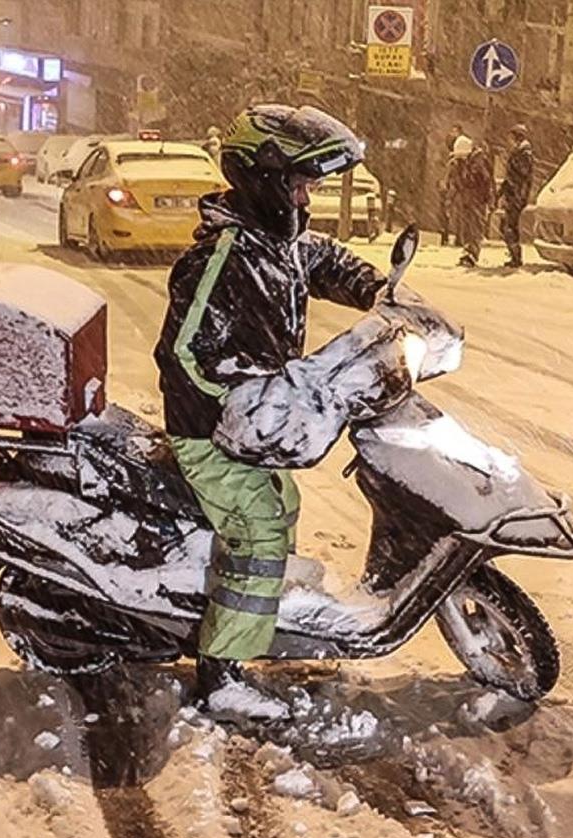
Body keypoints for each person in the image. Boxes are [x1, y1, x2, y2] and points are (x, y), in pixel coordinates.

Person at [153, 104, 386, 714]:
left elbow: (322, 260)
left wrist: (379, 292)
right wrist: (242, 396)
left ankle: (247, 610)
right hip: (212, 431)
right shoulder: (224, 256)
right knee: (258, 526)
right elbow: (185, 351)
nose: (307, 197)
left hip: (254, 429)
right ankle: (221, 674)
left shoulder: (275, 242)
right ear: (265, 179)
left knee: (282, 503)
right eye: (300, 184)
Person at [450, 135, 493, 268]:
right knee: (467, 228)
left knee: (474, 228)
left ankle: (472, 254)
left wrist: (488, 199)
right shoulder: (461, 163)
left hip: (477, 200)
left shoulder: (479, 162)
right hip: (467, 200)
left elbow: (484, 182)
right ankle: (467, 251)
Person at [498, 124, 534, 269]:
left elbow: (522, 176)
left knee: (509, 226)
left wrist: (516, 193)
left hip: (516, 196)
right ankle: (514, 255)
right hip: (513, 195)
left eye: (511, 137)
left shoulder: (524, 154)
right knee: (507, 226)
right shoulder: (519, 153)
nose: (508, 141)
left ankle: (516, 256)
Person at [438, 124, 463, 246]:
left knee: (456, 212)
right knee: (446, 211)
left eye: (455, 131)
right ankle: (445, 235)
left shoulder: (461, 148)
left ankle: (457, 237)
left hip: (456, 185)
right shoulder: (447, 145)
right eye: (452, 131)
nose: (453, 133)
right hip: (449, 184)